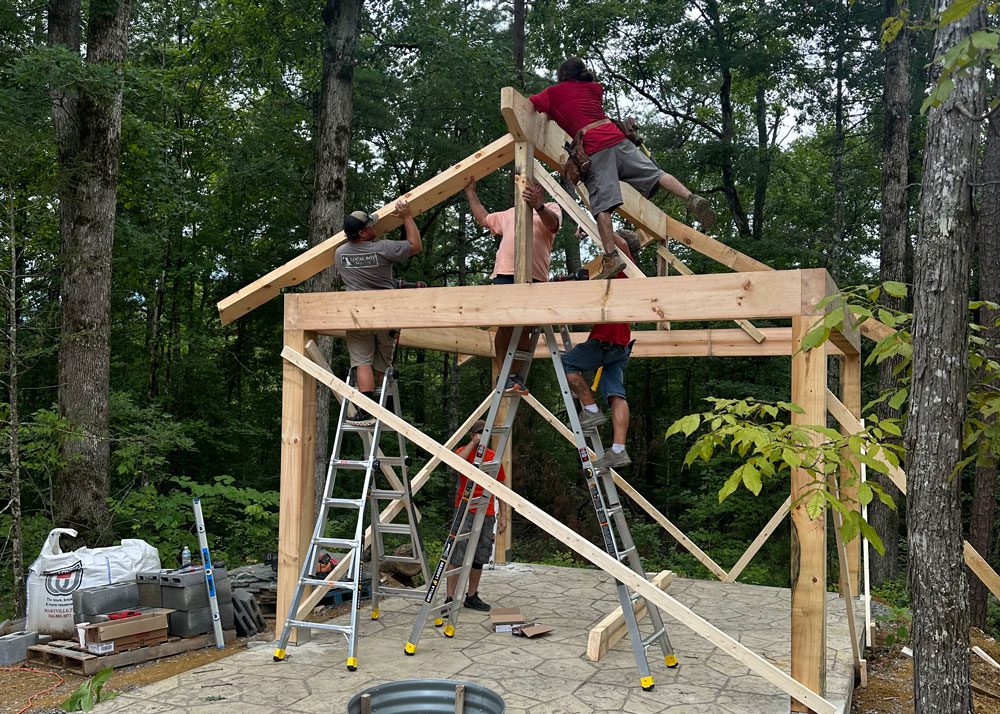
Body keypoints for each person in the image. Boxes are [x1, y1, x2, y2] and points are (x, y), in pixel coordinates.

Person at [530, 57, 716, 281]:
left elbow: (532, 104)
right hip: (618, 139)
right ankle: (691, 197)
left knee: (602, 208)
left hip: (596, 148)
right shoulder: (593, 88)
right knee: (656, 175)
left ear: (561, 76)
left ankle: (611, 257)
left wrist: (550, 112)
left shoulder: (553, 93)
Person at [464, 178, 563, 395]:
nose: (531, 189)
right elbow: (483, 218)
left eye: (537, 186)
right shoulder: (509, 213)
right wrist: (470, 192)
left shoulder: (552, 208)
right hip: (506, 272)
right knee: (506, 325)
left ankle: (514, 375)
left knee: (525, 327)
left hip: (535, 276)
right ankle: (504, 374)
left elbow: (553, 223)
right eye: (528, 185)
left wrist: (538, 206)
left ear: (542, 190)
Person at [335, 200, 422, 426]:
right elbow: (415, 245)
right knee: (383, 363)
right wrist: (407, 217)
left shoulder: (340, 253)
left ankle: (366, 411)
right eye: (371, 226)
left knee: (362, 361)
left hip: (357, 315)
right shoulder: (383, 248)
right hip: (385, 314)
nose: (375, 228)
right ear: (363, 232)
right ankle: (386, 407)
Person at [562, 230, 641, 469]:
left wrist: (593, 227)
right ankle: (618, 449)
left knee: (566, 362)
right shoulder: (620, 274)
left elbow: (618, 244)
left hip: (606, 340)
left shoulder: (626, 265)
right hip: (620, 344)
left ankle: (591, 409)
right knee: (616, 393)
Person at [446, 420, 507, 611]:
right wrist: (473, 443)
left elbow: (501, 488)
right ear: (472, 435)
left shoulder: (492, 456)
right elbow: (456, 465)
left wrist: (503, 515)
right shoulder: (464, 451)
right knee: (457, 554)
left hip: (487, 512)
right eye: (478, 433)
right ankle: (449, 598)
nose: (482, 436)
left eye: (484, 433)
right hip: (465, 510)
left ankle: (472, 596)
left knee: (480, 555)